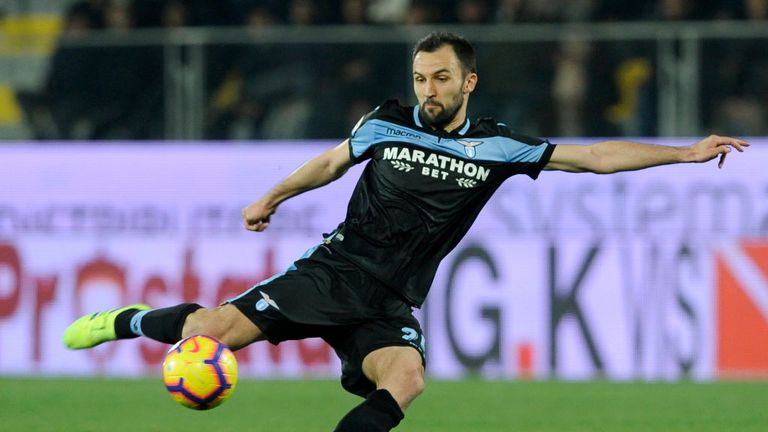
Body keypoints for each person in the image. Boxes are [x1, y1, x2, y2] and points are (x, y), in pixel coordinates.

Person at [63, 31, 749, 431]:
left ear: (469, 82)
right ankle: (124, 321)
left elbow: (593, 156)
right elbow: (333, 163)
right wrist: (271, 195)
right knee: (204, 334)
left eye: (441, 78)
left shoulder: (497, 147)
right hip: (330, 274)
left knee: (407, 377)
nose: (429, 89)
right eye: (421, 77)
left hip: (391, 301)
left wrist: (683, 153)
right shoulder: (385, 121)